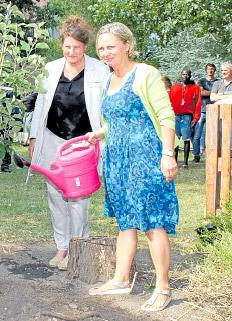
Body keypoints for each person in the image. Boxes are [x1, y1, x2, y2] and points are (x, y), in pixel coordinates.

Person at [87, 22, 179, 313]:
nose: (105, 53)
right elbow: (116, 121)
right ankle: (121, 279)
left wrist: (168, 154)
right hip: (118, 161)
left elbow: (166, 116)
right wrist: (100, 132)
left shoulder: (146, 74)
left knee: (153, 223)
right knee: (125, 222)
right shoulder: (109, 79)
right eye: (101, 49)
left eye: (110, 47)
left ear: (127, 45)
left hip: (147, 158)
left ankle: (163, 288)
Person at [29, 15, 109, 270]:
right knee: (55, 194)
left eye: (76, 47)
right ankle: (61, 248)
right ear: (61, 45)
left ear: (85, 46)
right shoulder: (50, 69)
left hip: (83, 143)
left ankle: (78, 247)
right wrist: (33, 136)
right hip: (53, 139)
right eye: (67, 46)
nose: (71, 52)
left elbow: (105, 107)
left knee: (78, 197)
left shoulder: (99, 70)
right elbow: (40, 105)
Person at [168, 68, 202, 168]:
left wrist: (195, 118)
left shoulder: (195, 88)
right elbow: (169, 100)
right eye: (183, 74)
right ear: (181, 75)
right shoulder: (175, 87)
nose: (185, 76)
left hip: (187, 116)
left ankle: (185, 162)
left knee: (186, 139)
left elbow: (198, 103)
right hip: (176, 115)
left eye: (187, 74)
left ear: (190, 75)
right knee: (175, 140)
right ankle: (174, 161)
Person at [194, 63, 218, 162]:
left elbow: (218, 93)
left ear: (214, 70)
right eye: (208, 69)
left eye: (212, 69)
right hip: (202, 110)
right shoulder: (201, 81)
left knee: (209, 133)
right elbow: (201, 92)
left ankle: (206, 153)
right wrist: (214, 93)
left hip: (213, 110)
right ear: (206, 70)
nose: (210, 71)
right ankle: (196, 155)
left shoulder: (218, 82)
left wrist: (210, 93)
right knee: (197, 135)